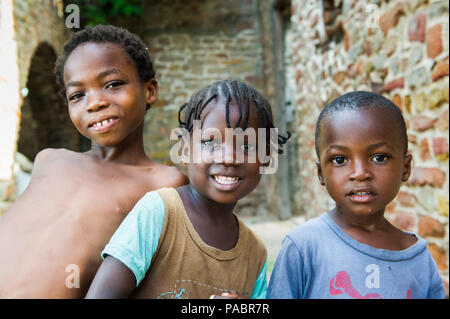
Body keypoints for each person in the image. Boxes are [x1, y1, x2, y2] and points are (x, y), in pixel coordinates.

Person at [0, 25, 188, 298]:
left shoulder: (164, 182)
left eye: (112, 84)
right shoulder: (50, 160)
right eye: (77, 95)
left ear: (150, 90)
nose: (95, 103)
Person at [85, 80, 290, 299]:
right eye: (210, 142)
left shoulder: (254, 253)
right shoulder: (159, 213)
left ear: (266, 157)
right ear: (185, 149)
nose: (229, 157)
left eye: (246, 146)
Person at [267, 91, 446, 299]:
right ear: (320, 173)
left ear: (405, 168)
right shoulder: (303, 246)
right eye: (340, 160)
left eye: (379, 157)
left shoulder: (418, 259)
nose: (360, 173)